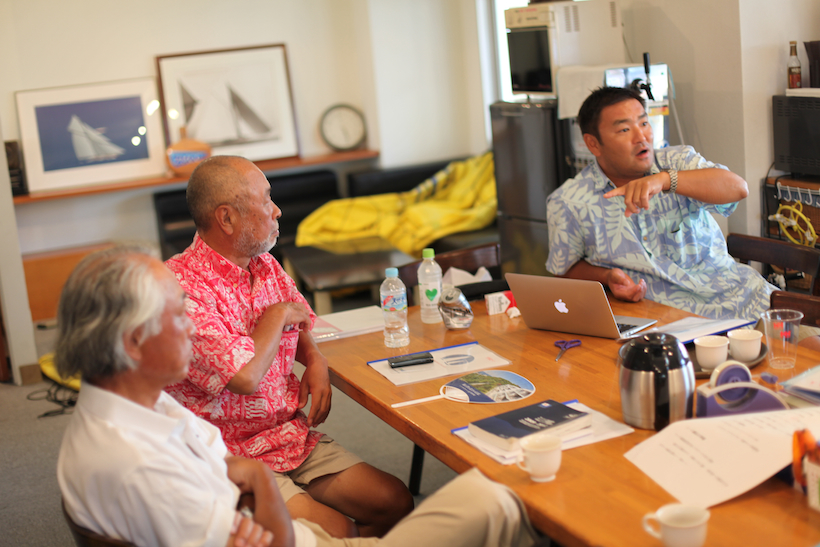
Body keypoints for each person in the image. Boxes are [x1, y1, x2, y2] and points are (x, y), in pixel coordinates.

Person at [56, 246, 539, 547]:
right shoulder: (140, 464)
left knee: (465, 498)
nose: (192, 328)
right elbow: (275, 537)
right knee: (500, 499)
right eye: (178, 315)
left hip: (280, 468)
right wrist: (259, 483)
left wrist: (249, 491)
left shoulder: (138, 404)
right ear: (133, 342)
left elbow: (242, 506)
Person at [164, 156, 413, 538]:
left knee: (393, 501)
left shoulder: (262, 263)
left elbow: (300, 320)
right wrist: (276, 315)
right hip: (227, 453)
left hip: (283, 433)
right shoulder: (181, 287)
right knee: (337, 530)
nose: (277, 210)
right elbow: (244, 376)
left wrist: (314, 357)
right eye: (266, 199)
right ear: (227, 218)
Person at [546, 86, 777, 321]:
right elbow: (564, 270)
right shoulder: (569, 201)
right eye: (625, 129)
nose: (641, 137)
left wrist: (666, 180)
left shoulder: (678, 161)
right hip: (665, 323)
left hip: (743, 301)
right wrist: (606, 277)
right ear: (593, 144)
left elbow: (738, 188)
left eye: (644, 123)